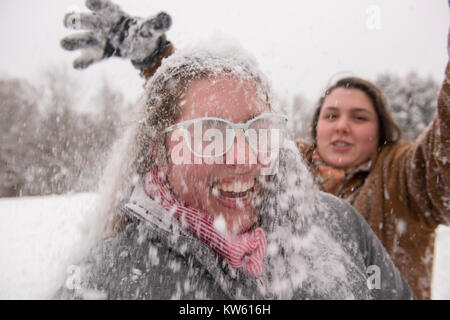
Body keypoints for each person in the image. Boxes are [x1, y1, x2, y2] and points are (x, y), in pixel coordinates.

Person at [55, 0, 412, 300]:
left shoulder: (338, 222)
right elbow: (186, 101)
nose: (243, 156)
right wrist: (159, 62)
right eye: (211, 134)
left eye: (258, 129)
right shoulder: (107, 282)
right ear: (160, 154)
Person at [295, 33, 449, 299]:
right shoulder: (288, 170)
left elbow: (442, 158)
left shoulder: (402, 174)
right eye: (331, 115)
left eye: (359, 117)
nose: (342, 126)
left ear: (380, 131)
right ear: (316, 127)